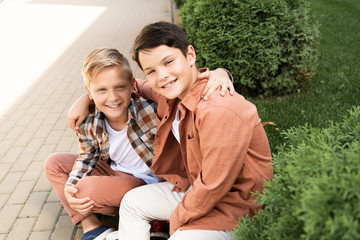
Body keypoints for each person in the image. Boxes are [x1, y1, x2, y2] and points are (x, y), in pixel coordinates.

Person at [107, 21, 273, 240]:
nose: (162, 75)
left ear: (190, 55)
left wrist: (177, 221)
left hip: (237, 208)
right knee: (132, 203)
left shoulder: (217, 109)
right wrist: (87, 98)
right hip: (199, 190)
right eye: (152, 71)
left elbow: (214, 186)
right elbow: (133, 85)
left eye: (168, 62)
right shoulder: (171, 93)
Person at [46, 48, 234, 240]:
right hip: (115, 174)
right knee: (55, 164)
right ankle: (92, 226)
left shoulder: (150, 110)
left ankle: (146, 217)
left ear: (132, 86)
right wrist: (70, 185)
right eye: (101, 90)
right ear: (90, 92)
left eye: (120, 87)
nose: (112, 98)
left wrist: (220, 73)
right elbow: (86, 157)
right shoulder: (90, 120)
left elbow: (185, 92)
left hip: (146, 183)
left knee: (84, 189)